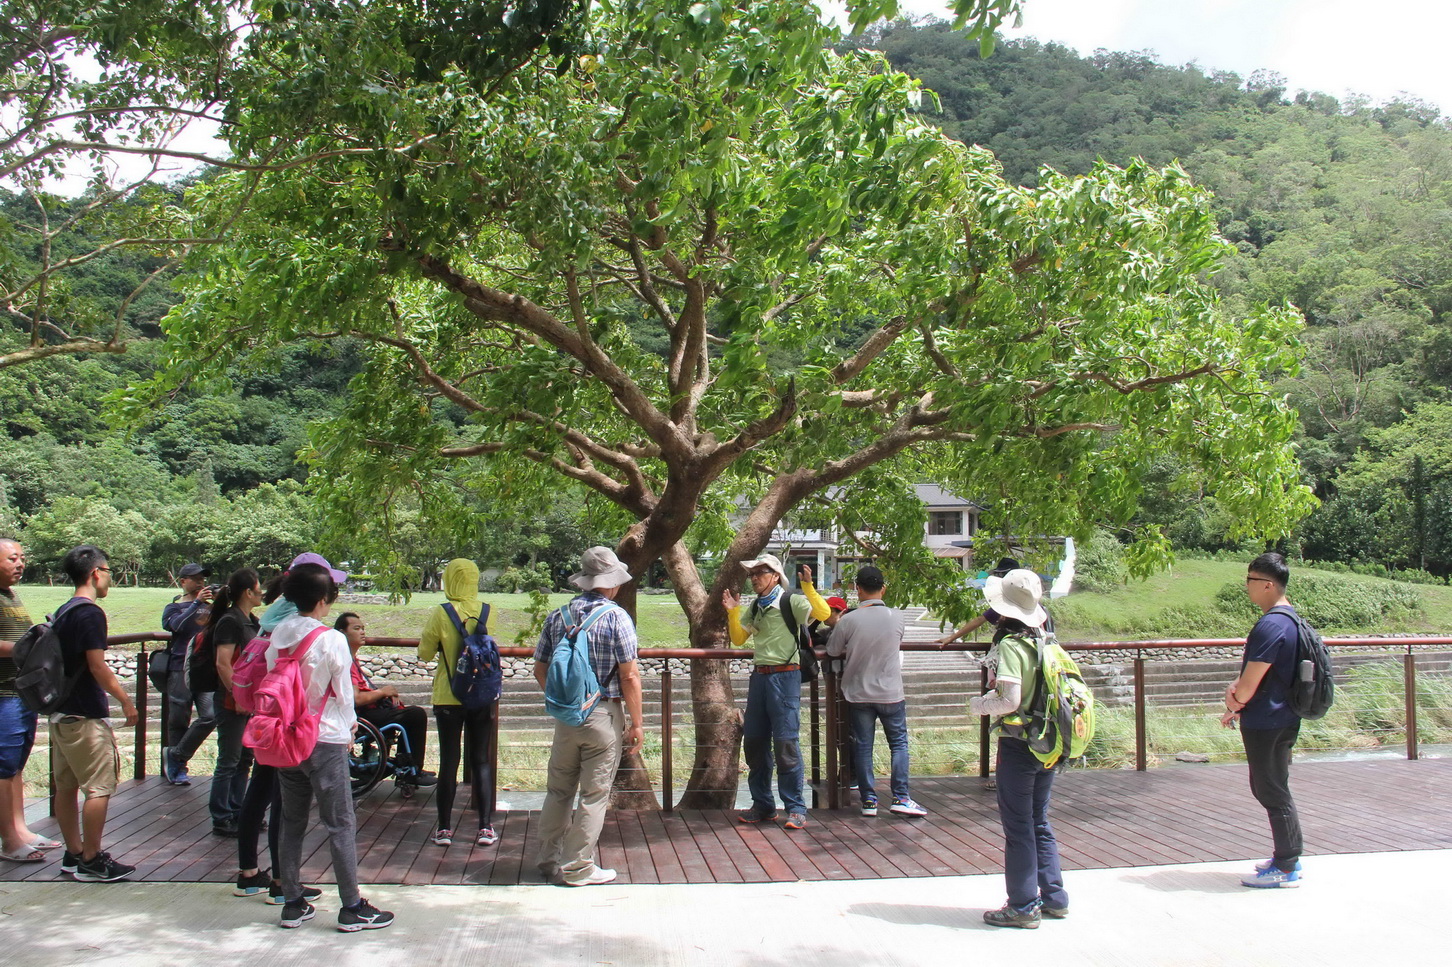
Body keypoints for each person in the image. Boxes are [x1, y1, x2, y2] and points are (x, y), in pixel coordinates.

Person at [269, 562, 394, 931]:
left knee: (291, 821)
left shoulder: (278, 633)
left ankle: (292, 901)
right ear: (323, 601)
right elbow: (344, 695)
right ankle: (352, 906)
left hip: (287, 737)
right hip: (324, 738)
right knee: (339, 822)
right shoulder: (331, 639)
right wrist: (350, 728)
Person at [532, 547, 644, 886]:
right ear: (612, 583)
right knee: (594, 795)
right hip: (602, 715)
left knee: (558, 791)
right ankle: (578, 867)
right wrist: (637, 723)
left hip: (567, 717)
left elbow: (541, 668)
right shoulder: (616, 617)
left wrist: (566, 700)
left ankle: (547, 859)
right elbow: (629, 676)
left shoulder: (559, 615)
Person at [968, 568, 1068, 928]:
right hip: (1050, 742)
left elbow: (1009, 699)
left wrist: (977, 705)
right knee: (1039, 819)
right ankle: (1054, 897)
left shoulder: (1012, 645)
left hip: (1020, 743)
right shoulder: (1048, 641)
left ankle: (1023, 905)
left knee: (1018, 825)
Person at [50, 545, 137, 882]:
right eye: (109, 571)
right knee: (98, 788)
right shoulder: (90, 613)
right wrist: (125, 701)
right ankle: (91, 858)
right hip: (84, 716)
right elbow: (97, 665)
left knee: (66, 787)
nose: (110, 579)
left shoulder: (64, 610)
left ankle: (73, 854)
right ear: (96, 572)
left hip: (61, 714)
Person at [722, 554, 829, 829]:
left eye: (760, 572)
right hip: (760, 678)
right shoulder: (757, 605)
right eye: (752, 573)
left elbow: (824, 614)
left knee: (786, 742)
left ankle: (795, 807)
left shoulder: (789, 599)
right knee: (755, 741)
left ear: (775, 575)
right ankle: (764, 805)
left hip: (785, 677)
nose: (755, 577)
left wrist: (808, 586)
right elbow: (738, 638)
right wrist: (733, 610)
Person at [1222, 551, 1308, 889]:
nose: (1247, 587)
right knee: (1272, 786)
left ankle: (1287, 865)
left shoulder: (1271, 624)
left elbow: (1250, 681)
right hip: (1283, 717)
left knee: (1271, 789)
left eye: (1250, 581)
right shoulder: (1292, 620)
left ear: (1268, 585)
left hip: (1267, 720)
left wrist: (1234, 700)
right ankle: (1285, 858)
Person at [825, 565, 926, 819]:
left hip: (858, 693)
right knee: (899, 744)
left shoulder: (848, 619)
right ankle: (901, 797)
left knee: (862, 746)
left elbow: (833, 650)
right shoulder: (897, 616)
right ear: (883, 588)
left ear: (857, 589)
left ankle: (869, 800)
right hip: (891, 692)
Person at [418, 558, 496, 847]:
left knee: (450, 760)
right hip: (482, 694)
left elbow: (425, 654)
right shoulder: (488, 611)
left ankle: (444, 828)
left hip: (448, 696)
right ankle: (485, 827)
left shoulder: (441, 613)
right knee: (481, 760)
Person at [0, 538, 58, 865]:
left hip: (21, 692)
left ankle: (20, 829)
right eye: (12, 558)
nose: (20, 564)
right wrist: (25, 646)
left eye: (22, 558)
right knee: (3, 767)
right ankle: (8, 840)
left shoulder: (11, 594)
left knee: (16, 766)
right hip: (3, 695)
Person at [338, 612, 435, 787]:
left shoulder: (352, 660)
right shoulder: (344, 661)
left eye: (363, 628)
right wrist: (383, 692)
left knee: (409, 714)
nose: (362, 632)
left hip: (369, 711)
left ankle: (409, 767)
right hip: (360, 715)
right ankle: (410, 771)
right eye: (356, 628)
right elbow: (356, 699)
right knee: (415, 715)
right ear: (342, 633)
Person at [208, 568, 264, 838]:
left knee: (244, 758)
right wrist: (237, 696)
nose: (262, 592)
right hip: (231, 702)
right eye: (258, 588)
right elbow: (223, 663)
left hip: (247, 702)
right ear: (248, 592)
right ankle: (221, 817)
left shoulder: (250, 620)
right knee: (229, 759)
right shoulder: (230, 621)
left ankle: (238, 810)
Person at [160, 563, 216, 786]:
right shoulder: (173, 608)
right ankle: (178, 769)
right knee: (178, 719)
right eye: (195, 578)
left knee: (211, 715)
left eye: (202, 578)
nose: (201, 582)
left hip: (205, 670)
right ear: (183, 581)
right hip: (178, 668)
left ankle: (176, 755)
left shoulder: (209, 608)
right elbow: (176, 627)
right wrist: (196, 603)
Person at [935, 557, 1020, 646]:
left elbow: (980, 620)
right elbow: (980, 619)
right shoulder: (1021, 602)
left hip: (1009, 647)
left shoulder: (1005, 603)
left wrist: (952, 637)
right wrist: (952, 637)